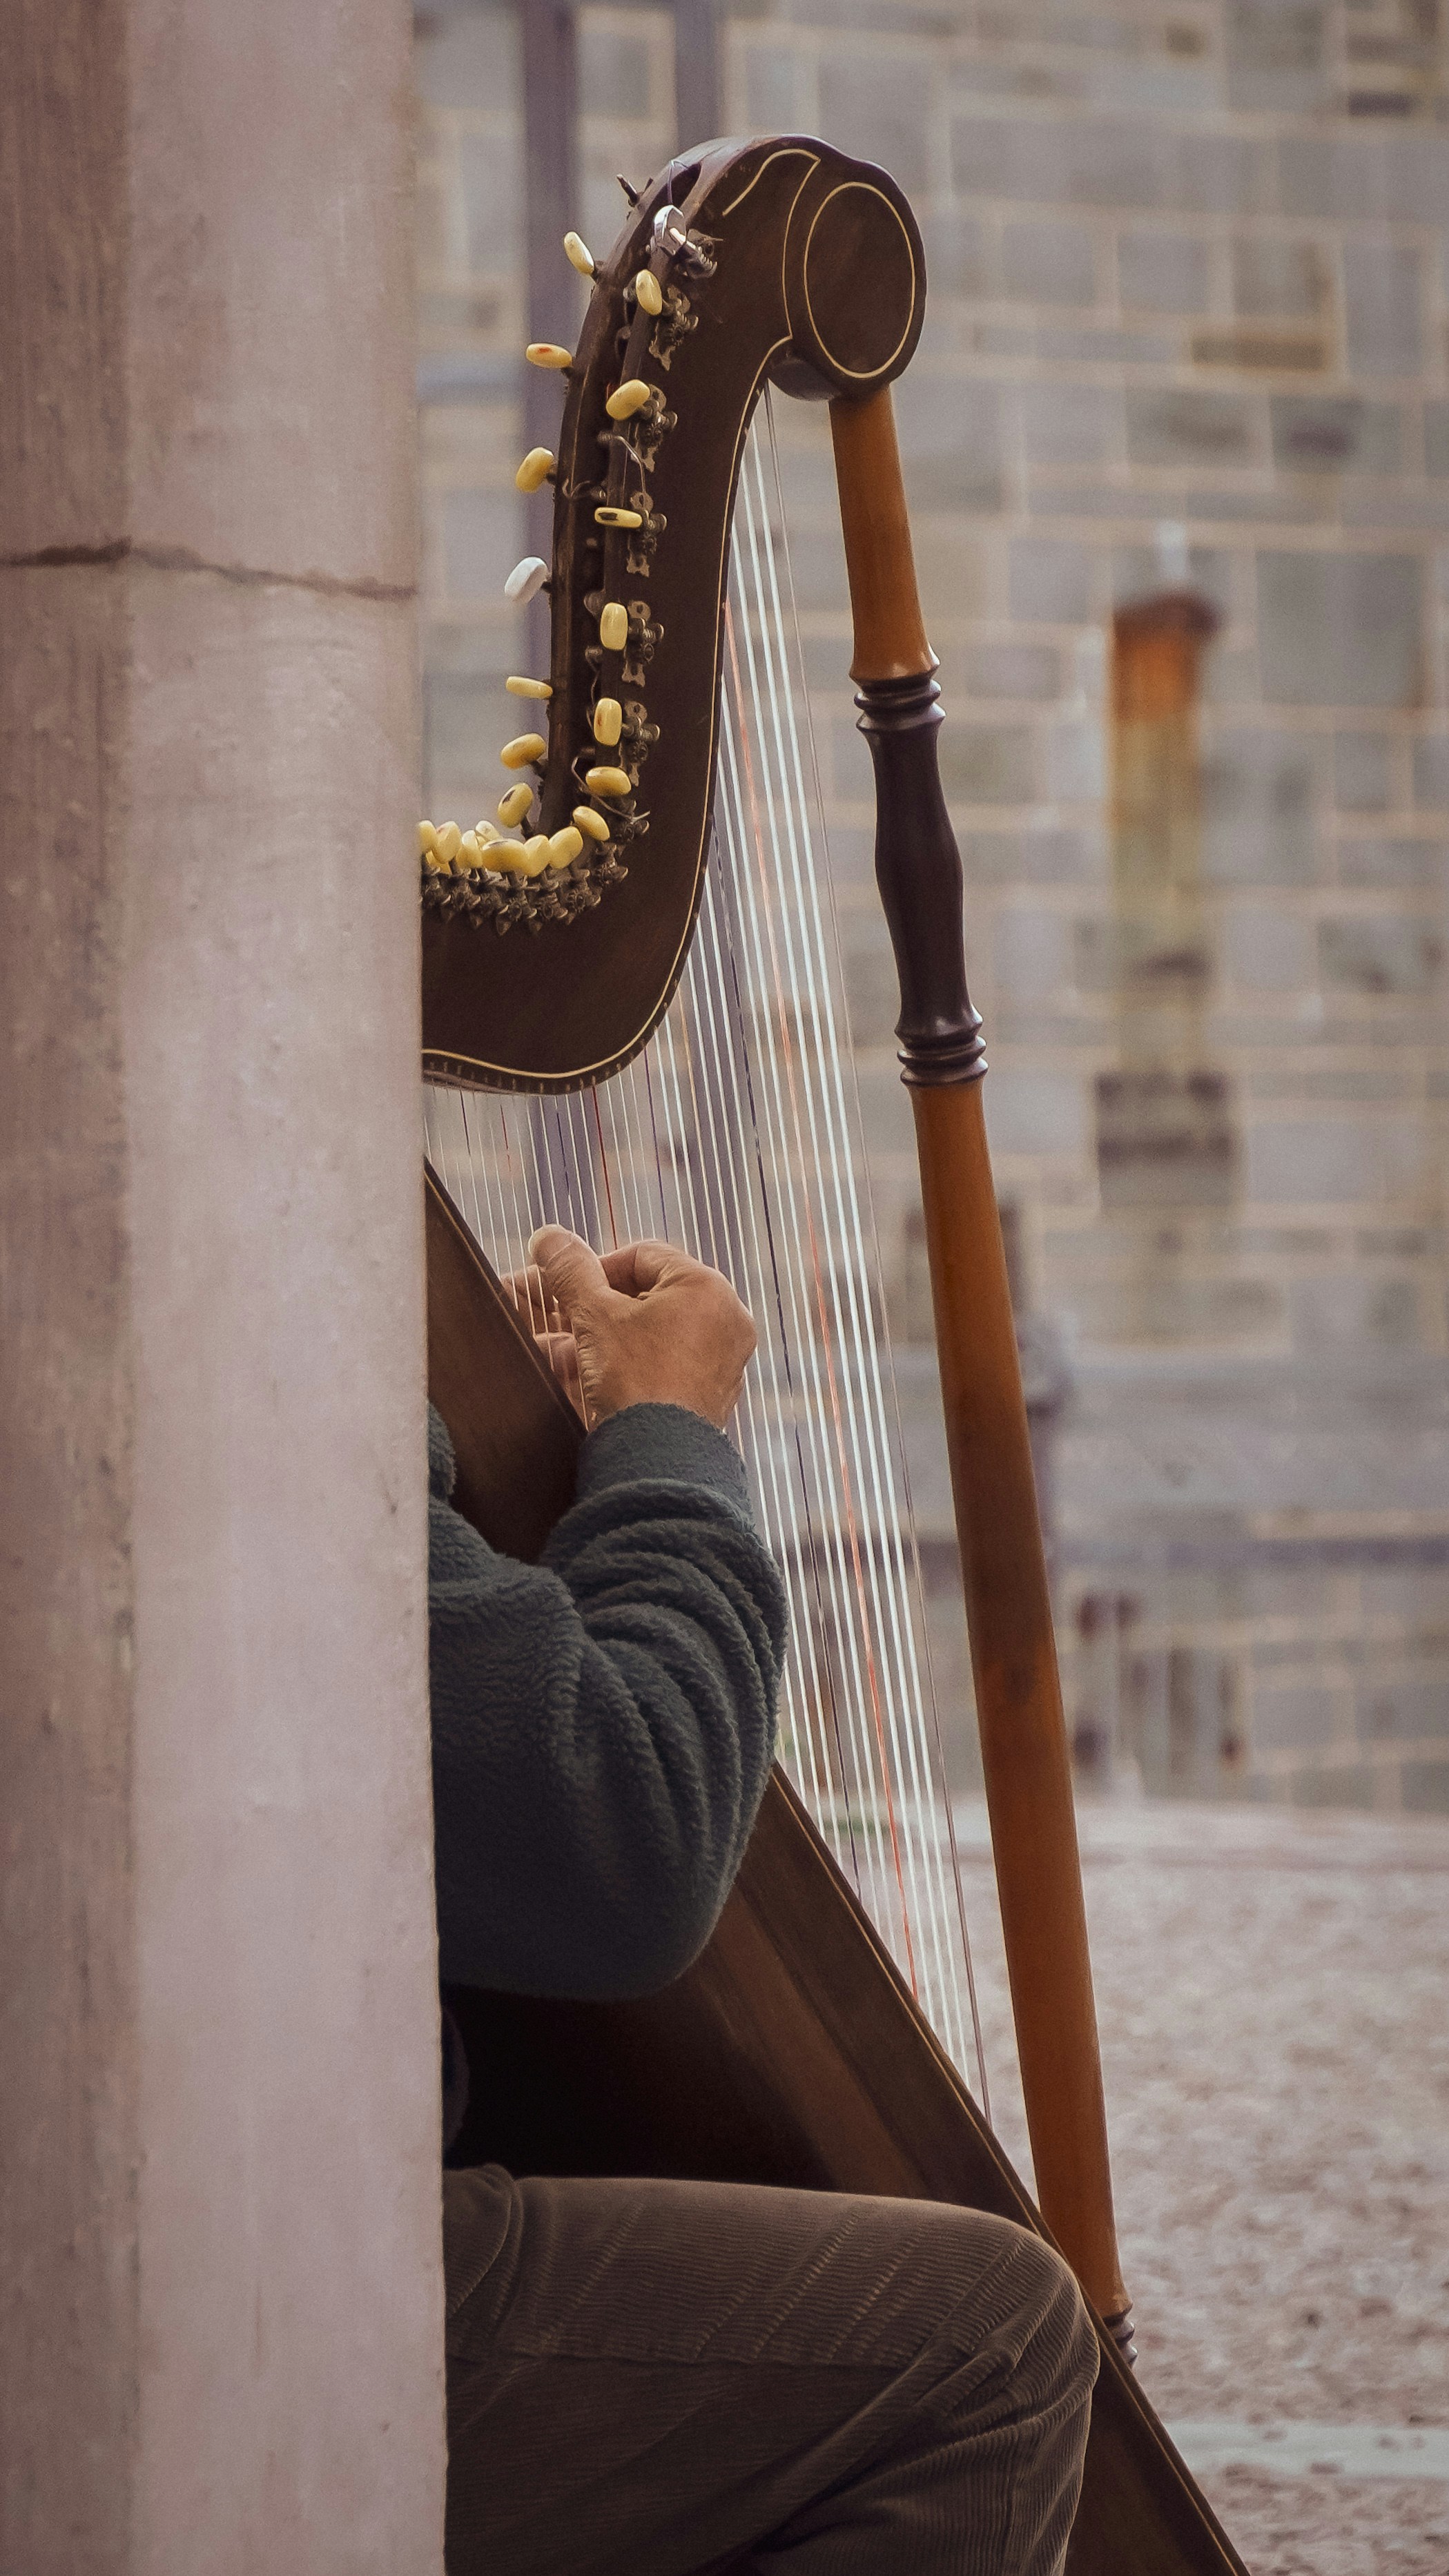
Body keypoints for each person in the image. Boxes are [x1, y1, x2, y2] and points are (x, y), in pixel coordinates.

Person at [429, 1223, 1097, 2576]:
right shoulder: (207, 1368)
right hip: (243, 2268)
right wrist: (672, 1436)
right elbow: (631, 1829)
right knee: (993, 2346)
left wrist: (452, 1389)